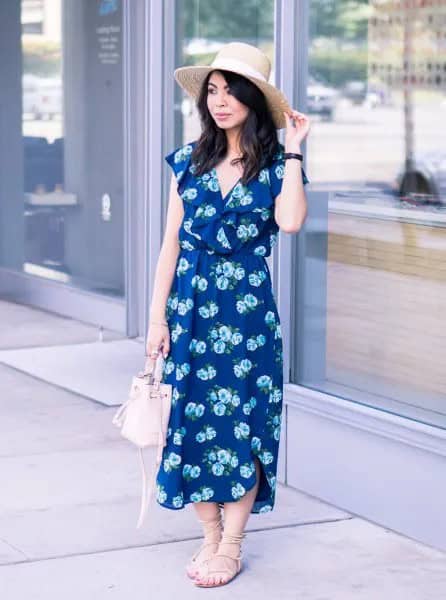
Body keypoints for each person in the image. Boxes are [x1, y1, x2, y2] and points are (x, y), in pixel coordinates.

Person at [145, 42, 310, 588]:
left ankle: (233, 542)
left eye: (230, 90)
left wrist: (294, 150)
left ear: (252, 99)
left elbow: (288, 224)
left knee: (242, 425)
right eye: (211, 91)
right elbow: (170, 245)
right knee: (190, 422)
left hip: (245, 319)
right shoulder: (188, 161)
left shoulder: (272, 168)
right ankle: (210, 534)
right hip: (189, 311)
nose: (219, 101)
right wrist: (156, 320)